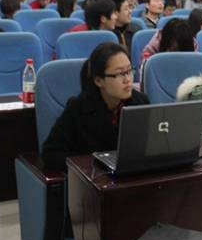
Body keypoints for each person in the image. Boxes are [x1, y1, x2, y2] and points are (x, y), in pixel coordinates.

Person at [41, 42, 150, 171]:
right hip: (92, 178)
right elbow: (50, 153)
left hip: (132, 174)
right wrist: (91, 166)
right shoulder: (78, 108)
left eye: (129, 71)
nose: (127, 79)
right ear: (99, 80)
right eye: (120, 74)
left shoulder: (141, 102)